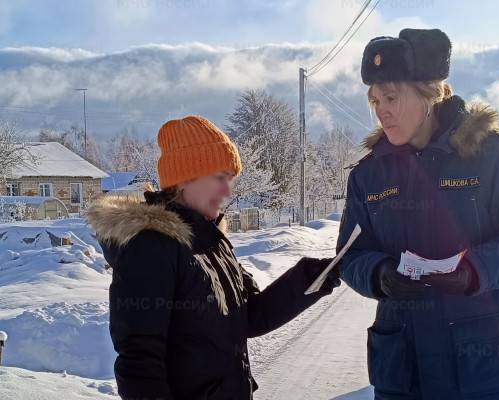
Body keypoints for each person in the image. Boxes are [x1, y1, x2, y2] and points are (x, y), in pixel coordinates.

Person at [338, 28, 499, 399]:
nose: (381, 111)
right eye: (375, 101)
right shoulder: (369, 173)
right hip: (404, 375)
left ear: (430, 93)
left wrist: (476, 270)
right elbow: (349, 257)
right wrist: (380, 275)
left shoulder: (493, 156)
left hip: (487, 375)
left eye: (391, 97)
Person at [87, 115, 340, 400]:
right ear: (183, 180)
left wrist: (311, 279)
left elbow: (251, 316)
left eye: (230, 180)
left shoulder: (212, 242)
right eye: (220, 178)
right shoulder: (151, 247)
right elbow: (139, 361)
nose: (228, 192)